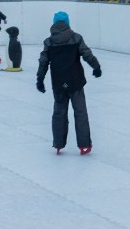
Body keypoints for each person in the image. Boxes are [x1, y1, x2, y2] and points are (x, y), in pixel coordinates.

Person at [36, 11, 101, 155]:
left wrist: (40, 79)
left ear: (54, 23)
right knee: (80, 112)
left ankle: (58, 144)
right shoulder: (76, 38)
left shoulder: (49, 42)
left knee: (59, 113)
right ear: (67, 23)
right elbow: (87, 54)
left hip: (59, 83)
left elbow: (43, 62)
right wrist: (96, 66)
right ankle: (84, 145)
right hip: (76, 82)